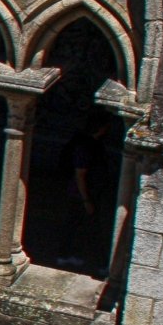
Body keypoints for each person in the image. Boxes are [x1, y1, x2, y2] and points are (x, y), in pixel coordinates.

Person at [63, 113, 111, 271]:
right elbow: (80, 175)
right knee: (78, 226)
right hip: (80, 195)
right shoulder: (85, 147)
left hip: (89, 193)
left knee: (80, 226)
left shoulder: (92, 143)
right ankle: (66, 255)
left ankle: (71, 254)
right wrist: (86, 200)